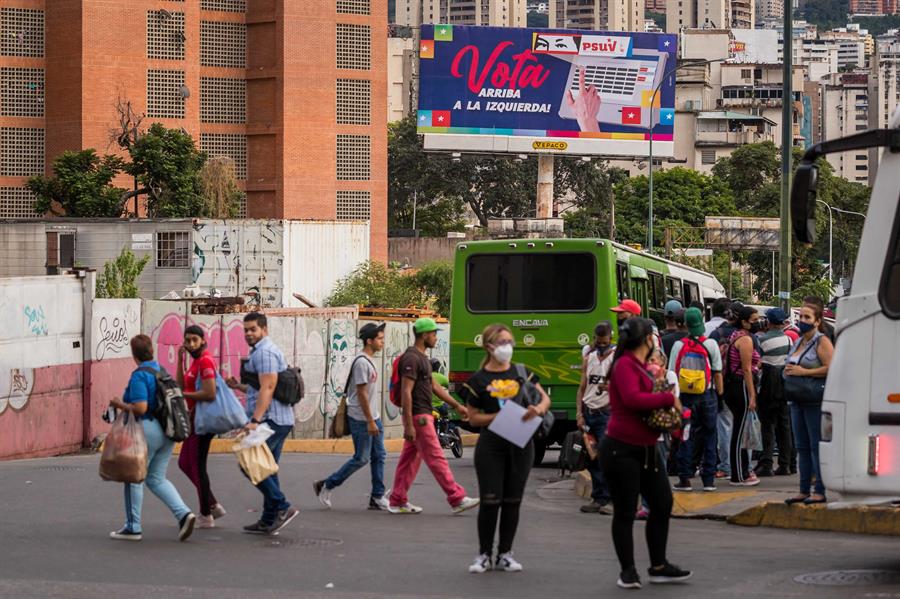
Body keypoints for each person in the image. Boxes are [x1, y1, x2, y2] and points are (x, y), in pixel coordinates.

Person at [601, 317, 691, 589]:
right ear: (647, 340)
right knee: (626, 511)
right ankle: (628, 571)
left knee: (662, 504)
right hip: (621, 449)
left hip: (648, 448)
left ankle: (659, 565)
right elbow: (632, 400)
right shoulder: (625, 364)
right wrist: (667, 398)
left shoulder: (640, 366)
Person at [460, 324, 552, 574]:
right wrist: (500, 416)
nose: (507, 347)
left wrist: (538, 410)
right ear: (489, 346)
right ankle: (483, 554)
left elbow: (544, 398)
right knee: (491, 501)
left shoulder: (522, 373)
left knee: (513, 501)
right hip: (491, 447)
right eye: (502, 342)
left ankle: (505, 554)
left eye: (510, 342)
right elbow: (473, 418)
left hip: (521, 445)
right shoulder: (478, 380)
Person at [108, 335, 196, 542]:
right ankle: (183, 514)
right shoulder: (160, 370)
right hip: (168, 430)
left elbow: (140, 407)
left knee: (133, 477)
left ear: (134, 354)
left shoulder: (139, 376)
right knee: (156, 478)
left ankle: (133, 527)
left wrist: (119, 404)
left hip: (148, 430)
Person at [389, 318, 480, 515]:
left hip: (422, 415)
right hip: (419, 416)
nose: (436, 337)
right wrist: (409, 424)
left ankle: (397, 499)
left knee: (409, 460)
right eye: (433, 333)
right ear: (424, 335)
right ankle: (456, 498)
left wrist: (457, 405)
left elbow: (435, 387)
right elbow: (406, 391)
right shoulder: (412, 359)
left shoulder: (423, 359)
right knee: (436, 457)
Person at [226, 312, 299, 534]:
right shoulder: (261, 352)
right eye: (246, 330)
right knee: (267, 467)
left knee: (250, 464)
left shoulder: (265, 353)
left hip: (271, 420)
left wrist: (255, 421)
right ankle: (268, 520)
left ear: (264, 330)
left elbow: (268, 387)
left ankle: (282, 506)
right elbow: (261, 387)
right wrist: (238, 387)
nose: (248, 333)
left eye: (253, 329)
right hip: (278, 419)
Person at [314, 323, 389, 511]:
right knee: (361, 458)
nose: (382, 342)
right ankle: (327, 484)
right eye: (379, 339)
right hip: (362, 418)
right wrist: (371, 421)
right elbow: (362, 394)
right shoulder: (362, 362)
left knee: (379, 455)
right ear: (369, 341)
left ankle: (377, 496)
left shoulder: (369, 360)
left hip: (373, 417)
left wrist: (375, 418)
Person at [176, 325, 226, 529]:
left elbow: (210, 393)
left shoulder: (205, 361)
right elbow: (181, 385)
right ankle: (212, 504)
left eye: (194, 340)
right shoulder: (195, 362)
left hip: (202, 421)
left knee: (197, 466)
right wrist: (180, 361)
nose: (190, 344)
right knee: (184, 463)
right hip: (194, 420)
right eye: (187, 340)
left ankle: (206, 514)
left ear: (203, 341)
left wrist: (184, 396)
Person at [784, 303, 834, 506]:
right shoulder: (799, 342)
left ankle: (819, 490)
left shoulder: (821, 341)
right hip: (796, 400)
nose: (802, 320)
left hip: (814, 400)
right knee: (801, 447)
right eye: (801, 316)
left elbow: (831, 367)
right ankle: (803, 490)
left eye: (807, 317)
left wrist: (804, 372)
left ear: (817, 321)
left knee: (815, 446)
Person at [669, 307, 723, 493]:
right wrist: (720, 396)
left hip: (684, 398)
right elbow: (717, 373)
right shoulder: (711, 344)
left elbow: (672, 375)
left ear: (684, 324)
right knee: (709, 436)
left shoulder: (678, 346)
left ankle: (685, 478)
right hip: (707, 396)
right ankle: (708, 480)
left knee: (686, 437)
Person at [575, 321, 615, 514]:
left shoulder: (615, 358)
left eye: (603, 342)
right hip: (589, 412)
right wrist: (579, 413)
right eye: (598, 342)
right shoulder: (589, 357)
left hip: (606, 413)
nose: (601, 345)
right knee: (591, 457)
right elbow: (582, 387)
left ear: (610, 338)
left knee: (607, 458)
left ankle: (610, 498)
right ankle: (599, 497)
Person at [723, 306, 762, 487]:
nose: (758, 323)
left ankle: (743, 471)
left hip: (733, 386)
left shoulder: (736, 335)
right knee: (739, 433)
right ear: (744, 321)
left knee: (739, 430)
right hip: (740, 386)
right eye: (754, 320)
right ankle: (738, 474)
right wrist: (752, 395)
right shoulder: (745, 340)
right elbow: (746, 369)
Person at [755, 308, 794, 477]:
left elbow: (758, 364)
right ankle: (785, 464)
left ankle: (766, 463)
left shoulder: (761, 341)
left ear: (768, 322)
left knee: (767, 425)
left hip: (768, 387)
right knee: (784, 426)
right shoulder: (789, 340)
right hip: (784, 386)